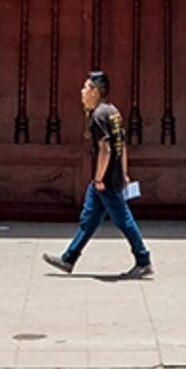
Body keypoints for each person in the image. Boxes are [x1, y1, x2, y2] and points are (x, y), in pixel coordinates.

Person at [44, 71, 152, 279]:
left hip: (106, 180)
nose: (82, 92)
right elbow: (122, 145)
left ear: (95, 91)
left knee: (123, 219)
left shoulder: (98, 116)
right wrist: (124, 172)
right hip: (111, 177)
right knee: (89, 218)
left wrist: (100, 178)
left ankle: (143, 260)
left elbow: (107, 149)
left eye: (86, 88)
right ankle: (69, 258)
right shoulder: (113, 112)